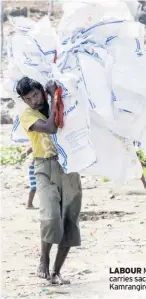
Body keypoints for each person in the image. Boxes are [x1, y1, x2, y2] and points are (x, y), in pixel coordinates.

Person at [16, 76, 82, 284]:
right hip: (44, 167)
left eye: (36, 94)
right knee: (51, 216)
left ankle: (57, 271)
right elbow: (51, 128)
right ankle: (43, 258)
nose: (34, 101)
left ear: (41, 90)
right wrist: (53, 96)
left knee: (70, 220)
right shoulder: (27, 115)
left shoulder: (63, 106)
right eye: (28, 98)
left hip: (69, 166)